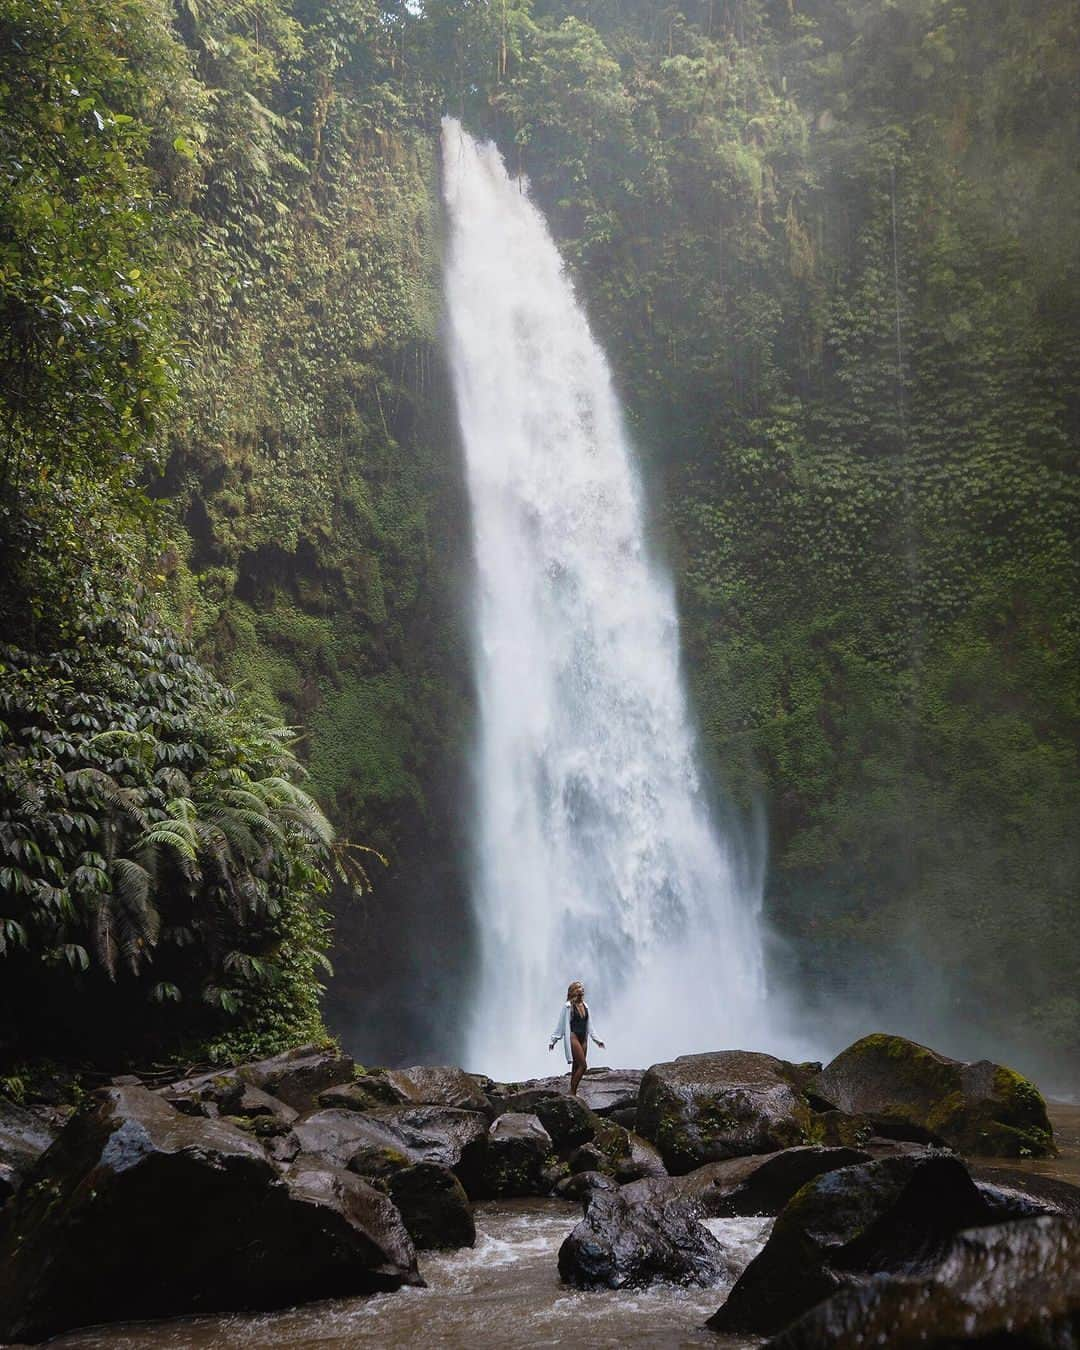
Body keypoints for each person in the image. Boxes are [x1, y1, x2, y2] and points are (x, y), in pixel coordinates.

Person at [548, 980, 605, 1095]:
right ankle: (572, 1092)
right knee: (583, 1066)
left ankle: (573, 1092)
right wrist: (553, 1040)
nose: (582, 989)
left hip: (584, 1038)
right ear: (573, 991)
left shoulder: (585, 1006)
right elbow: (561, 1025)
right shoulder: (568, 1007)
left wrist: (597, 1040)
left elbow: (590, 1026)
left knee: (576, 1066)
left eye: (582, 987)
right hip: (573, 1037)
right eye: (578, 987)